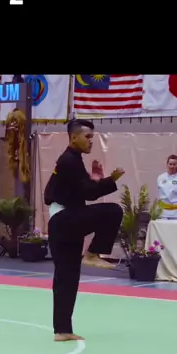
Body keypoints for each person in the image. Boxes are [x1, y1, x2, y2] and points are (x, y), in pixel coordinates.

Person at [44, 118, 124, 342]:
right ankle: (93, 253)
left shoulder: (71, 160)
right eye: (87, 136)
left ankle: (62, 330)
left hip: (63, 223)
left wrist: (95, 180)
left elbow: (80, 190)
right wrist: (110, 180)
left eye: (92, 137)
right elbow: (89, 193)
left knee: (67, 278)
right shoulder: (69, 160)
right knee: (113, 211)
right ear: (73, 137)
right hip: (63, 221)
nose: (91, 141)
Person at [157, 155, 177, 219]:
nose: (172, 166)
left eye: (174, 164)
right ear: (167, 164)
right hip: (163, 212)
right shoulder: (160, 178)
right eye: (170, 164)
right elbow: (159, 194)